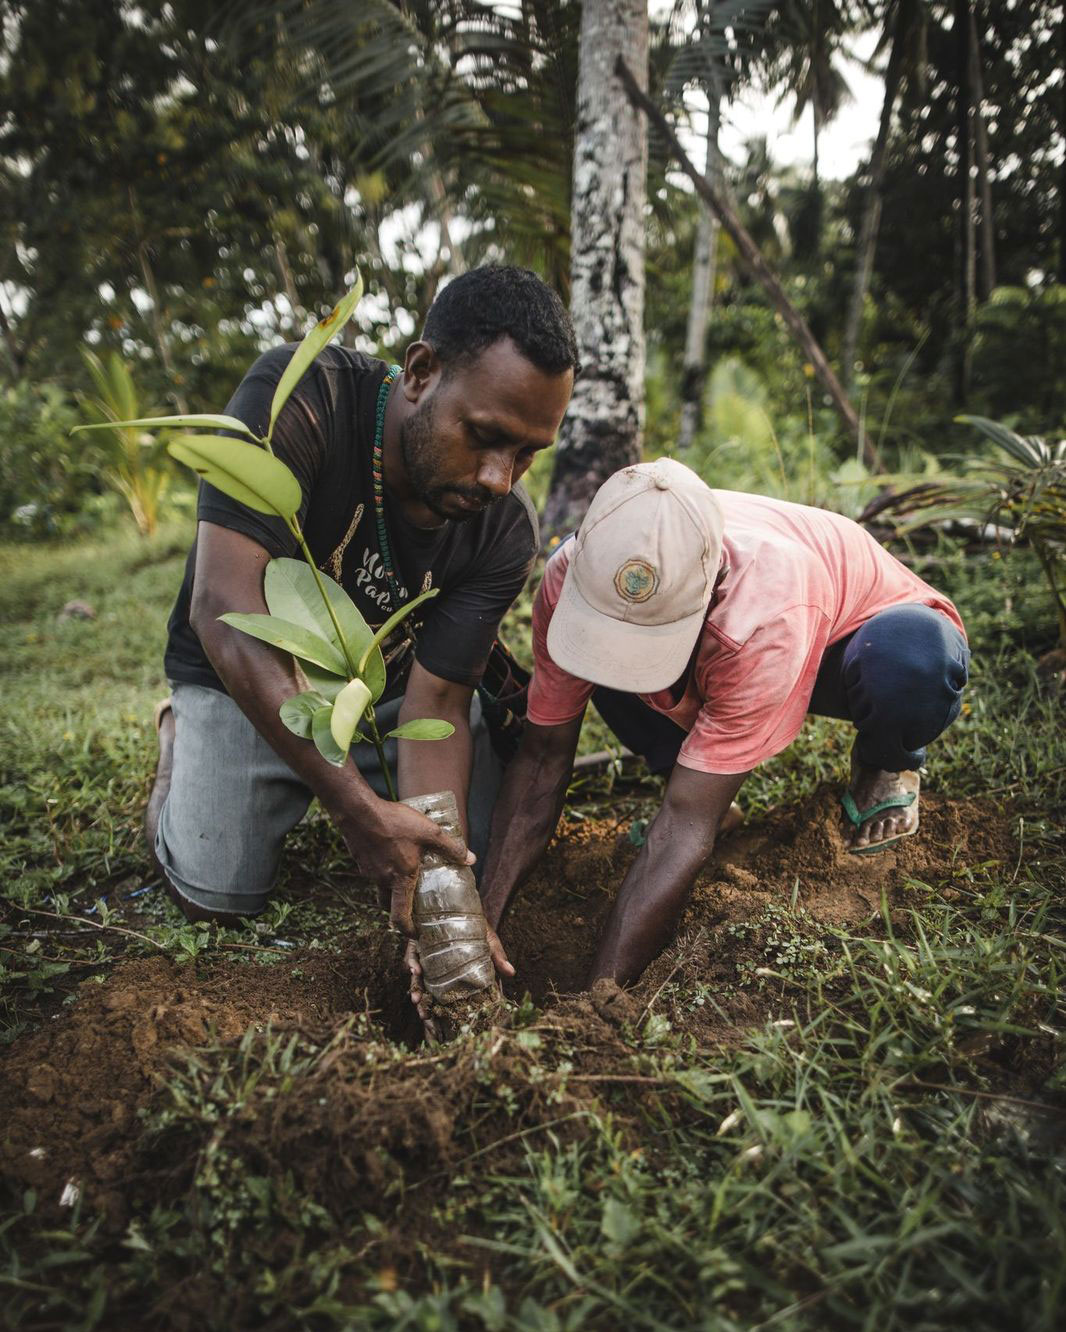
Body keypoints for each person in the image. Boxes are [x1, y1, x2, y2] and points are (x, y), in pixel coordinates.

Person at [146, 266, 578, 957]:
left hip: (384, 694)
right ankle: (181, 741)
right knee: (214, 893)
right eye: (484, 435)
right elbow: (221, 603)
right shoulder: (301, 401)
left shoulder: (505, 529)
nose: (500, 478)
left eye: (527, 453)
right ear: (421, 373)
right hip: (246, 670)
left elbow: (438, 699)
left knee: (467, 852)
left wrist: (440, 908)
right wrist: (356, 810)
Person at [480, 458, 970, 988]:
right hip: (723, 637)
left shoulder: (765, 610)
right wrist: (480, 925)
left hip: (852, 641)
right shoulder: (576, 577)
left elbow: (686, 822)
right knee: (605, 658)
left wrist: (602, 995)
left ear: (713, 584)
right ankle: (680, 763)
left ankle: (884, 763)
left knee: (908, 659)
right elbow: (542, 756)